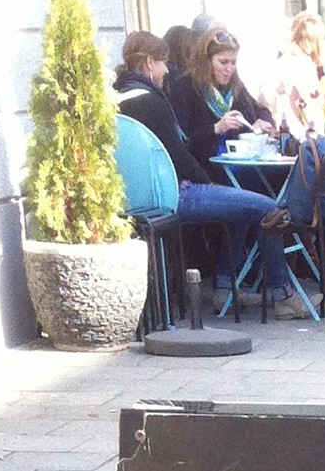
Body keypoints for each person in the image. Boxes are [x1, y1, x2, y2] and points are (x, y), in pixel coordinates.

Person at [114, 35, 291, 300]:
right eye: (162, 63)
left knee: (240, 200)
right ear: (149, 63)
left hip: (135, 199)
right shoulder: (153, 101)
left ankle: (225, 287)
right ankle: (283, 296)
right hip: (174, 194)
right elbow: (178, 153)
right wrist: (208, 182)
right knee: (268, 207)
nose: (166, 70)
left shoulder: (116, 98)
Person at [165, 25, 274, 174]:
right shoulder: (185, 88)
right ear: (206, 61)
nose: (229, 69)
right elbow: (181, 140)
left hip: (243, 166)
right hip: (205, 170)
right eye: (223, 62)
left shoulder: (235, 87)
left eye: (233, 62)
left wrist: (261, 123)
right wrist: (216, 128)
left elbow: (261, 110)